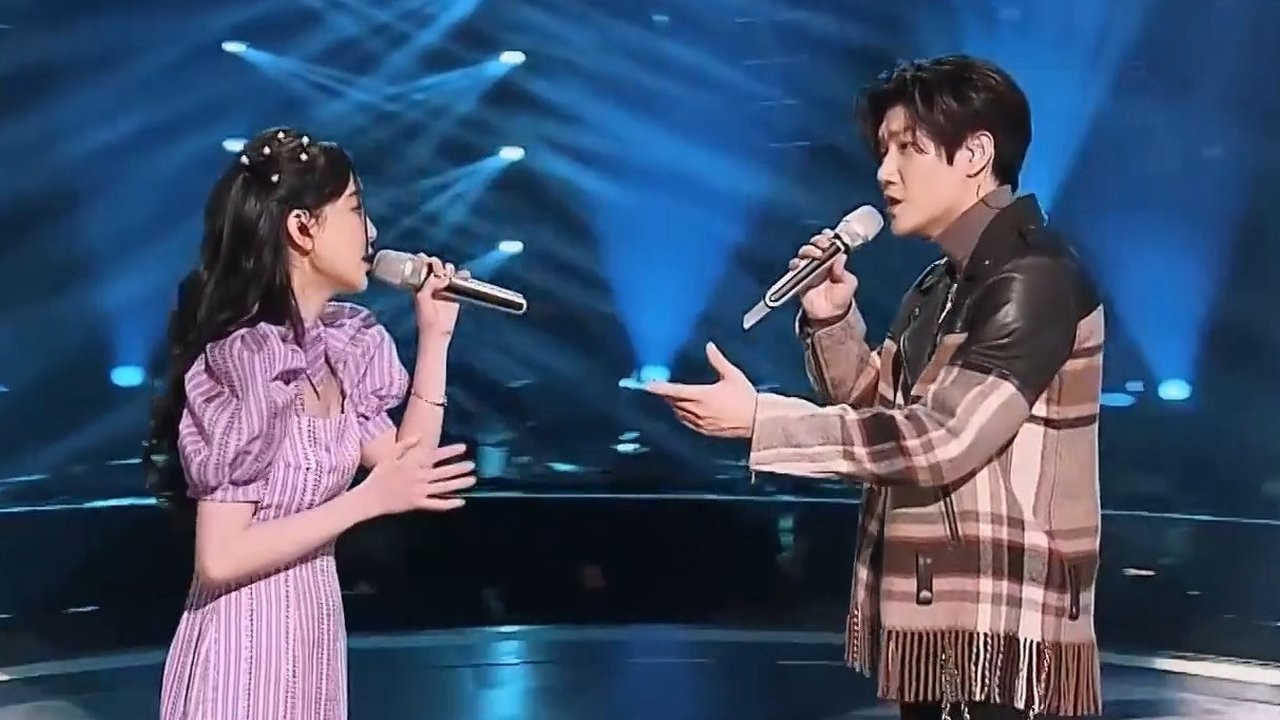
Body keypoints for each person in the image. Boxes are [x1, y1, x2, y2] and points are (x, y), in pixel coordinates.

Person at [646, 55, 1103, 719]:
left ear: (976, 154)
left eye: (907, 149)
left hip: (1005, 631)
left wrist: (762, 421)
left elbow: (941, 439)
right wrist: (831, 320)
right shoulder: (940, 284)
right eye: (883, 151)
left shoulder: (1035, 278)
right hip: (943, 623)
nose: (885, 172)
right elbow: (877, 412)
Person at [143, 126, 477, 719]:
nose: (372, 232)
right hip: (240, 658)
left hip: (311, 642)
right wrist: (364, 502)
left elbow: (409, 469)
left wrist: (435, 336)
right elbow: (219, 558)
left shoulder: (339, 349)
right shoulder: (247, 360)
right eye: (355, 209)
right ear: (302, 228)